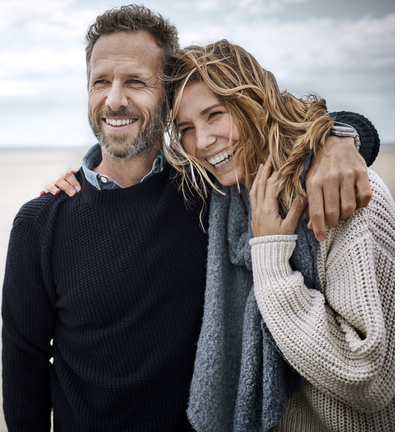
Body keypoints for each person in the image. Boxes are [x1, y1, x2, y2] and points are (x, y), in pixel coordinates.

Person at [1, 5, 379, 431]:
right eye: (100, 82)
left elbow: (282, 132)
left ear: (168, 98)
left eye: (136, 82)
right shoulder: (41, 222)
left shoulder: (209, 194)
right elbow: (24, 367)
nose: (115, 99)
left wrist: (341, 139)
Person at [166, 41, 394, 431]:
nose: (202, 142)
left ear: (251, 102)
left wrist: (271, 258)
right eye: (186, 129)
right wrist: (79, 182)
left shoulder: (342, 195)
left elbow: (367, 380)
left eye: (214, 115)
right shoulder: (223, 197)